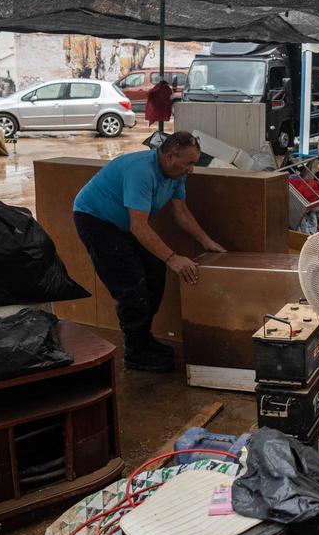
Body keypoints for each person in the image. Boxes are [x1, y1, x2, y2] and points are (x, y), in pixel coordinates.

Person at [72, 131, 225, 373]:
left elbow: (181, 212)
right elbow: (139, 226)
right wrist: (173, 258)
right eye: (189, 163)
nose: (192, 170)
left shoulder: (176, 174)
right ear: (170, 156)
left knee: (155, 271)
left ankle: (142, 338)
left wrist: (207, 242)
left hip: (124, 224)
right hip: (96, 220)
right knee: (131, 286)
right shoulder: (141, 171)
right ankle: (135, 352)